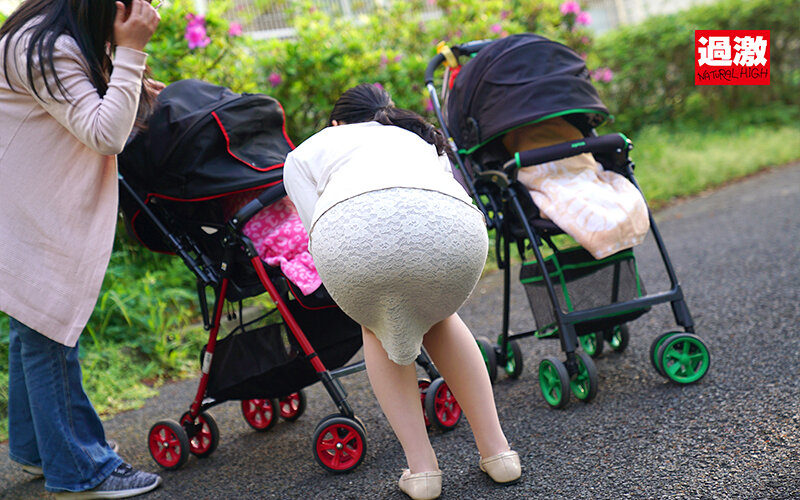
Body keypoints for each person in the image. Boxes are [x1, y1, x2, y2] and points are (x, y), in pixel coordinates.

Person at [283, 83, 521, 500]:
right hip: (457, 234)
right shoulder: (419, 137)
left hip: (357, 239)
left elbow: (316, 227)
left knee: (377, 323)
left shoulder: (304, 154)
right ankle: (499, 453)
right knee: (440, 316)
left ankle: (423, 470)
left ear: (336, 123)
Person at [0, 0, 162, 498]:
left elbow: (85, 111)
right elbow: (105, 134)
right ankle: (80, 466)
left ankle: (38, 447)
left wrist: (126, 74)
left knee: (33, 324)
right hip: (27, 210)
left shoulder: (46, 33)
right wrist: (131, 51)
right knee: (49, 325)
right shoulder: (44, 47)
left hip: (24, 202)